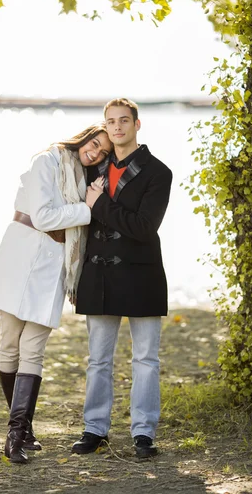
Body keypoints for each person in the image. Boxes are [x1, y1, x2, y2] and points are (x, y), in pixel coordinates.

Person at [0, 123, 112, 464]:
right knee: (9, 345)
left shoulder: (86, 179)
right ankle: (24, 429)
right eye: (94, 144)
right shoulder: (47, 161)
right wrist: (88, 208)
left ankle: (15, 437)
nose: (95, 153)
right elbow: (42, 216)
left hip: (54, 269)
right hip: (19, 258)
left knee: (33, 348)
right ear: (83, 137)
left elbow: (62, 221)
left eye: (102, 152)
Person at [71, 98, 173, 459]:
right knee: (97, 358)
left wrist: (100, 205)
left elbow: (145, 228)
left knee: (146, 358)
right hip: (98, 276)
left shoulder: (158, 173)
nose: (116, 127)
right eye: (110, 122)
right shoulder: (93, 170)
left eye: (124, 121)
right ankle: (94, 429)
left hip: (142, 275)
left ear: (137, 124)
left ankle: (144, 433)